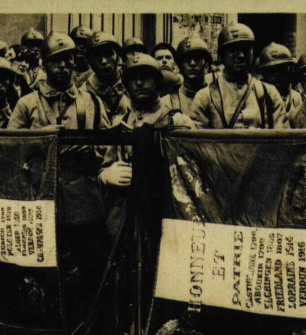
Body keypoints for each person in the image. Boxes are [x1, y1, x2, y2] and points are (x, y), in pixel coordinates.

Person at [9, 32, 110, 328]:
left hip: (83, 200)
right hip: (41, 198)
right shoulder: (28, 104)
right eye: (56, 61)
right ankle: (45, 329)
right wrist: (40, 146)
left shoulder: (90, 101)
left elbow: (107, 143)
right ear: (44, 64)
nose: (63, 66)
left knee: (89, 267)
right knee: (45, 267)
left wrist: (90, 149)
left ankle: (84, 330)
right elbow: (11, 146)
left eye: (68, 60)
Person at [99, 52, 194, 239]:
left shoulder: (178, 121)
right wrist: (106, 176)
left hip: (167, 213)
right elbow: (103, 167)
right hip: (128, 220)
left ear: (157, 82)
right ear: (126, 86)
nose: (139, 83)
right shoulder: (120, 125)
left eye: (146, 77)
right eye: (133, 79)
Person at [190, 23, 286, 129]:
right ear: (221, 55)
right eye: (233, 50)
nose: (241, 56)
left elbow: (281, 137)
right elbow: (197, 141)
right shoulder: (205, 97)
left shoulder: (269, 93)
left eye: (245, 49)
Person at [79, 31, 130, 120]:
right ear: (89, 61)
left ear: (118, 56)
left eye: (108, 54)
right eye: (96, 56)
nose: (103, 61)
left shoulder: (132, 85)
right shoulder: (83, 92)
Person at [164, 37, 212, 117]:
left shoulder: (217, 99)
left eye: (197, 58)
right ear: (179, 65)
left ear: (206, 64)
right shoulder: (167, 103)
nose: (192, 63)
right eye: (186, 59)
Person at [257, 42, 303, 114]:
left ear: (289, 70)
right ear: (264, 73)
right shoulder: (257, 97)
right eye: (271, 70)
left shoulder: (297, 97)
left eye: (281, 69)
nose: (276, 74)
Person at [19, 28, 47, 93]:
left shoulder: (45, 67)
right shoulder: (20, 67)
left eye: (38, 46)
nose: (36, 49)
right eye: (31, 46)